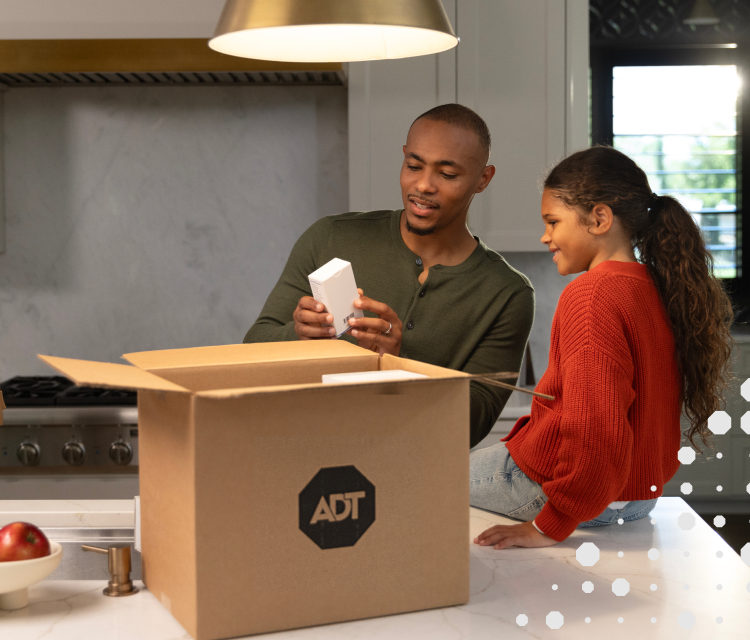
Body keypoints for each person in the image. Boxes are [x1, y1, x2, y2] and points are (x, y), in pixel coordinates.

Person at [471, 146, 734, 548]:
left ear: (599, 218)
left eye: (553, 221)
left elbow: (596, 427)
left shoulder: (591, 295)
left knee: (420, 480)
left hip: (553, 492)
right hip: (636, 501)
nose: (545, 236)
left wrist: (549, 524)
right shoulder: (657, 289)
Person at [244, 104, 535, 448]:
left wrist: (399, 367)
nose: (423, 185)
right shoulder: (330, 237)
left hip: (409, 476)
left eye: (447, 174)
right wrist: (300, 335)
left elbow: (475, 422)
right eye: (413, 166)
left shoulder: (507, 294)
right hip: (300, 452)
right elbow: (252, 351)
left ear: (482, 179)